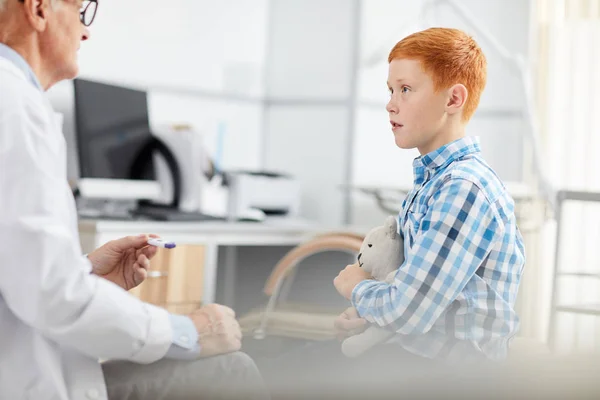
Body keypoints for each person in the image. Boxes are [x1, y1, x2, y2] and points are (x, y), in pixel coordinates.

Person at [0, 1, 267, 399]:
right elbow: (52, 294)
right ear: (39, 9)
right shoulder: (15, 106)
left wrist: (86, 273)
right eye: (82, 12)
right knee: (232, 368)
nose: (86, 32)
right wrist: (190, 332)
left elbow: (25, 272)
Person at [262, 27, 526, 398]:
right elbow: (410, 290)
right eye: (390, 90)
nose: (390, 103)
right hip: (406, 358)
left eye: (405, 89)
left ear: (453, 98)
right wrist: (367, 318)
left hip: (445, 379)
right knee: (274, 372)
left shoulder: (463, 188)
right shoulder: (431, 182)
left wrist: (356, 288)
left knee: (269, 380)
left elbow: (409, 311)